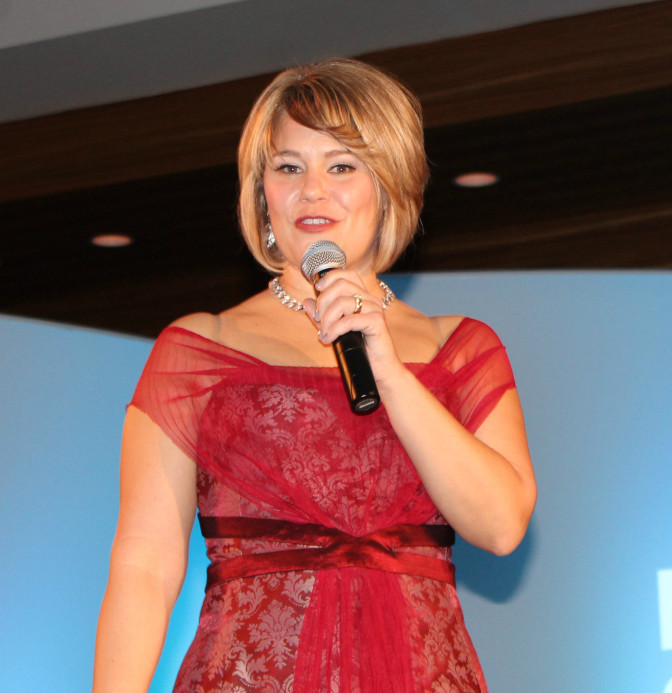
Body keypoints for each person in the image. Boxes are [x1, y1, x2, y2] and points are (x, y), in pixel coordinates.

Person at [94, 58, 536, 693]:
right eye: (289, 167)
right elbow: (145, 564)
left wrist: (387, 366)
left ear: (389, 185)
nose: (312, 191)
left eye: (342, 166)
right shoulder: (200, 348)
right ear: (262, 191)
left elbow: (500, 524)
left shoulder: (457, 348)